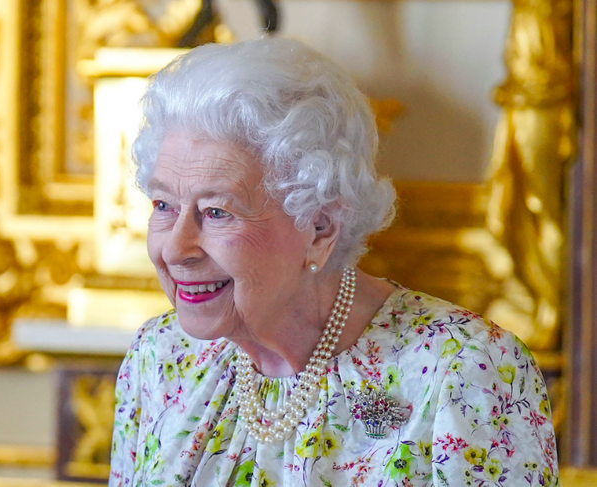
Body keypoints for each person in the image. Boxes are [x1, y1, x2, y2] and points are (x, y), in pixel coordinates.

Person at [109, 38, 558, 487]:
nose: (174, 249)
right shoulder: (160, 357)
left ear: (320, 228)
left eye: (217, 212)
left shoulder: (466, 373)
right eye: (164, 205)